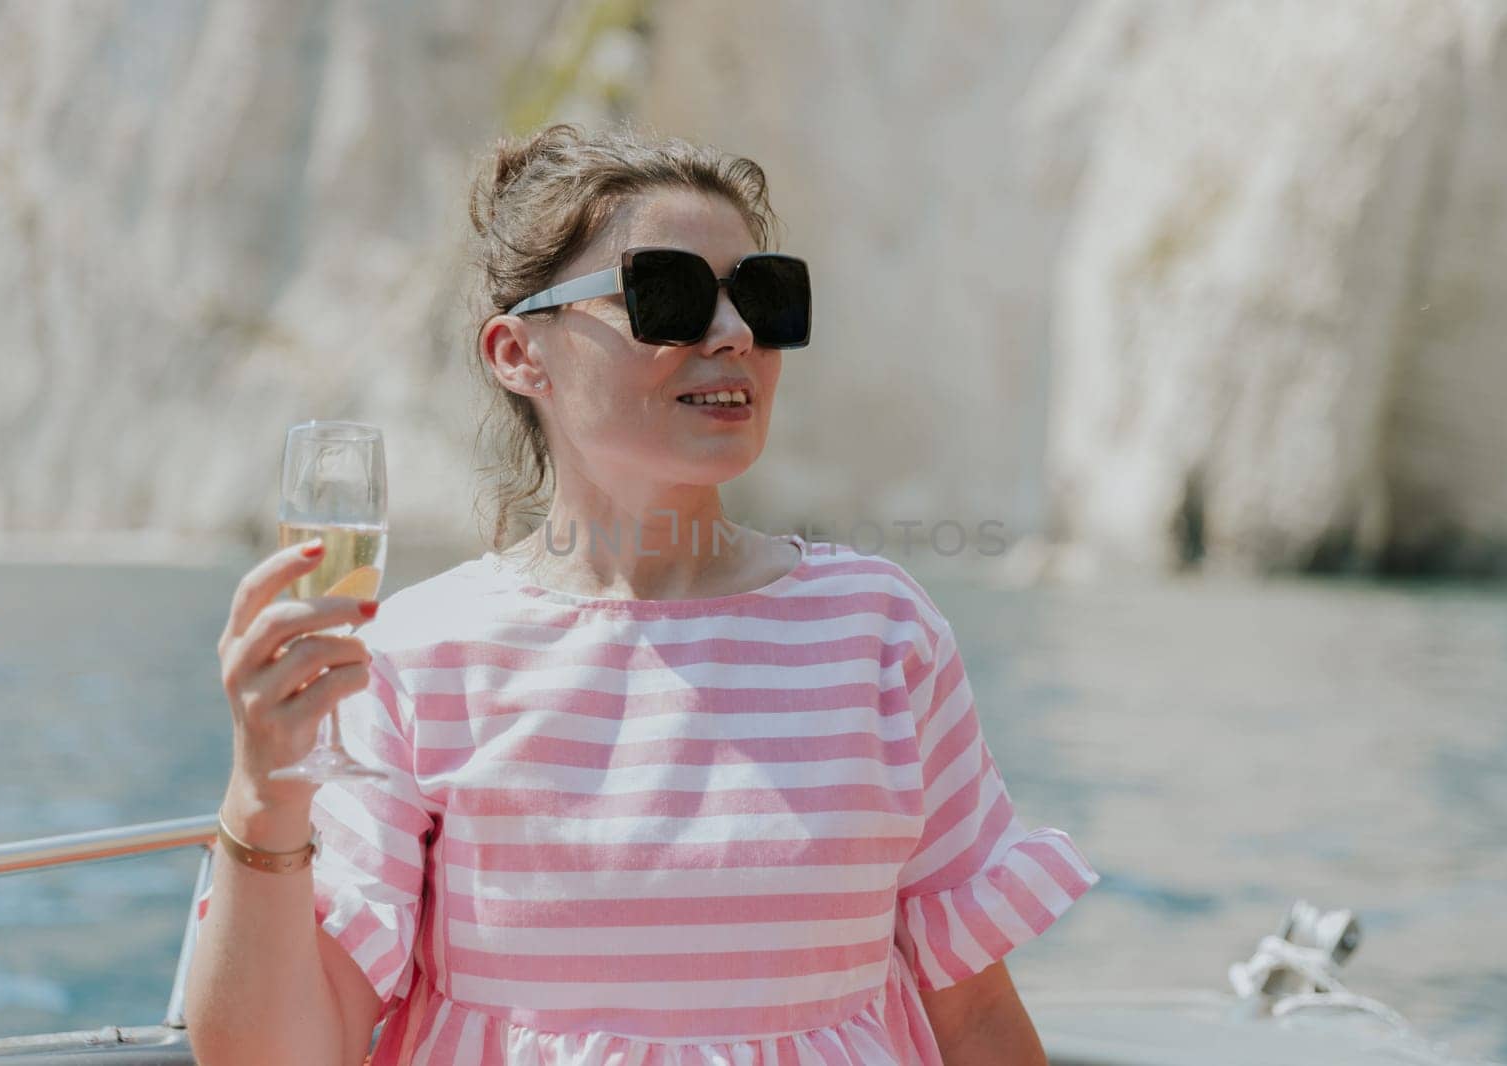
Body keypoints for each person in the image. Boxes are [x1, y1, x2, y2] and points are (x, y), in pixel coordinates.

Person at [185, 122, 1099, 1066]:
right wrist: (263, 787)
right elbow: (276, 1053)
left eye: (763, 296)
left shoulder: (880, 630)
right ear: (517, 352)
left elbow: (974, 1015)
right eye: (671, 295)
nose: (735, 333)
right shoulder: (419, 657)